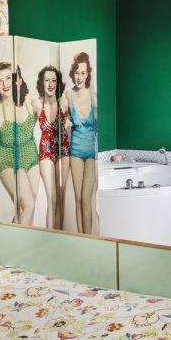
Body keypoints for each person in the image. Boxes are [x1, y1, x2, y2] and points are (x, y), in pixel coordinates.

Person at [0, 63, 39, 225]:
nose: (5, 84)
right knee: (28, 204)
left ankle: (17, 239)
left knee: (28, 208)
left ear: (18, 80)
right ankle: (14, 241)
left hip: (30, 154)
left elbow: (40, 119)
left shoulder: (30, 100)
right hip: (8, 158)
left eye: (8, 78)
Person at [62, 52, 97, 234]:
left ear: (88, 74)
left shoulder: (94, 97)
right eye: (77, 72)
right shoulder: (68, 95)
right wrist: (64, 121)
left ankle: (88, 239)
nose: (79, 77)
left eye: (83, 73)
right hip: (75, 151)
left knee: (86, 199)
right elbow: (60, 119)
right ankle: (81, 238)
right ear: (72, 73)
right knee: (77, 200)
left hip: (91, 153)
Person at [32, 66, 70, 229]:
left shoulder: (64, 102)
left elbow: (77, 121)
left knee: (61, 198)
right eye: (46, 80)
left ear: (58, 83)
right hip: (46, 151)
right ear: (42, 82)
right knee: (52, 199)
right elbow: (26, 128)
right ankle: (50, 236)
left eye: (53, 80)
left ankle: (60, 236)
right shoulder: (36, 104)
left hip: (63, 149)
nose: (50, 84)